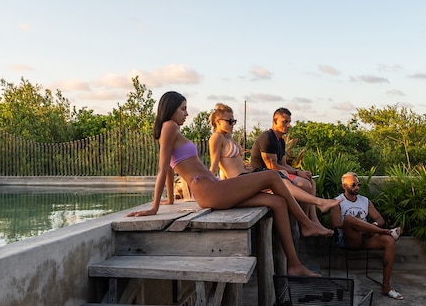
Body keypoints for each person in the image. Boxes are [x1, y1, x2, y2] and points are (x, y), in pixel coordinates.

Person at [129, 92, 332, 277]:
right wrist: (154, 206)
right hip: (210, 191)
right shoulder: (170, 126)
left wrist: (171, 199)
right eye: (183, 108)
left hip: (214, 188)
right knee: (272, 176)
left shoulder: (171, 131)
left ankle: (294, 265)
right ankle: (306, 223)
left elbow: (172, 168)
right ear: (169, 108)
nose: (187, 113)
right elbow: (163, 168)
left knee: (278, 202)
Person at [209, 103, 338, 214]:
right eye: (229, 121)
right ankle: (319, 203)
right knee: (280, 177)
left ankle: (310, 222)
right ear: (218, 121)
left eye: (234, 121)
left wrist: (245, 168)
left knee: (283, 181)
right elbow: (215, 166)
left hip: (245, 175)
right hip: (238, 181)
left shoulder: (228, 137)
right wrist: (210, 188)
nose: (233, 124)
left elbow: (229, 165)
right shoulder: (216, 138)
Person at [330, 172, 404, 300]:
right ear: (344, 186)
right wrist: (357, 225)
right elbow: (336, 223)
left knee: (389, 242)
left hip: (366, 237)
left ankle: (386, 287)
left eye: (358, 184)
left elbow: (380, 220)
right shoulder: (337, 202)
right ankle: (387, 231)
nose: (357, 187)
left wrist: (372, 225)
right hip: (348, 239)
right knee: (349, 219)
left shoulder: (365, 201)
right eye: (353, 185)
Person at [250, 107, 318, 218]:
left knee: (311, 182)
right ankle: (304, 222)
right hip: (262, 179)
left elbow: (283, 164)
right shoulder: (267, 138)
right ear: (275, 121)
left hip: (278, 175)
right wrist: (296, 173)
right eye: (285, 122)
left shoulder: (280, 141)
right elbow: (273, 167)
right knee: (304, 185)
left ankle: (313, 220)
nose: (288, 125)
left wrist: (300, 172)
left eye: (289, 122)